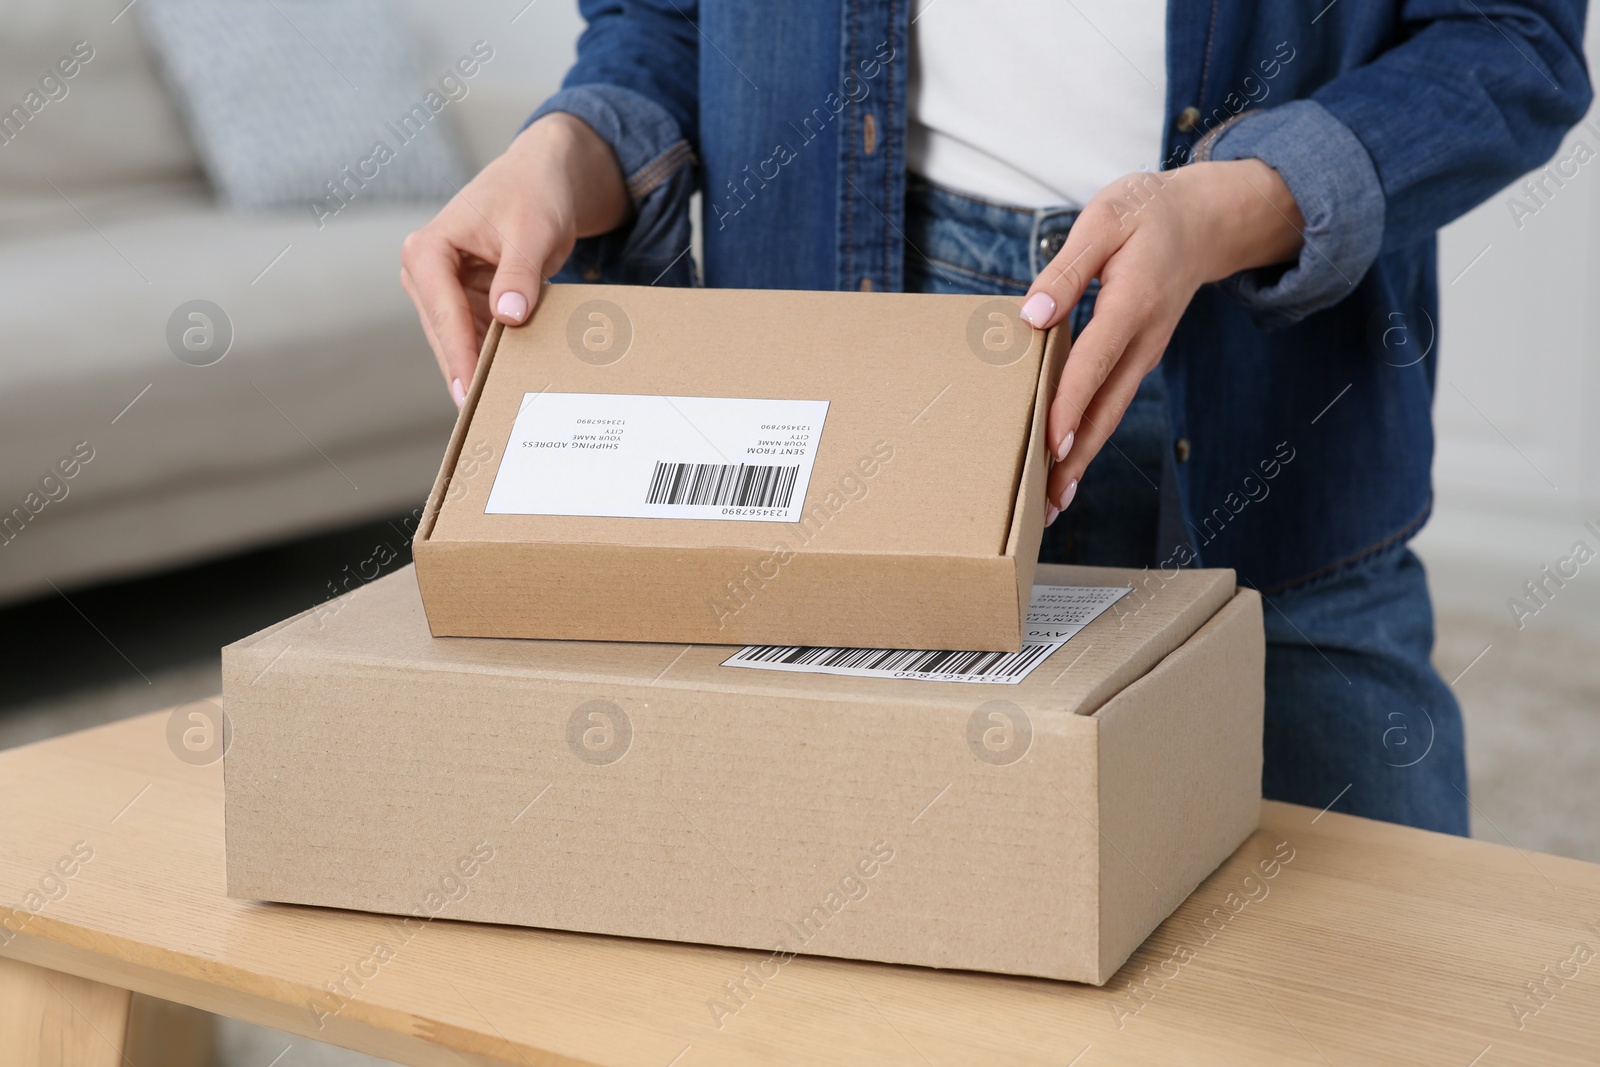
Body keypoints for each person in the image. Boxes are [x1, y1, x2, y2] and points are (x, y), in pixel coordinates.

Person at [401, 1, 1592, 834]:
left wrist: (1229, 206)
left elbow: (1508, 39)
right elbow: (662, 25)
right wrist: (563, 150)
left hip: (1265, 395)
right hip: (850, 410)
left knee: (1375, 992)